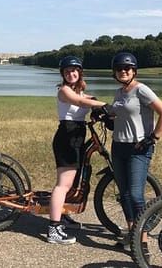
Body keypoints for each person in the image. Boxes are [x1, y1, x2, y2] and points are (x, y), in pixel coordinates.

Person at [109, 52, 162, 246]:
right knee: (124, 194)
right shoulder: (119, 92)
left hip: (138, 148)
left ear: (134, 71)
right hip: (118, 146)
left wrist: (153, 137)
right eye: (119, 69)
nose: (123, 71)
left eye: (127, 68)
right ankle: (131, 233)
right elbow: (117, 114)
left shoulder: (141, 90)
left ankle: (141, 240)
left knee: (136, 195)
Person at [48, 55, 110, 244]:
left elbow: (86, 99)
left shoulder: (79, 90)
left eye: (74, 70)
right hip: (67, 137)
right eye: (67, 72)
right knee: (63, 184)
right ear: (63, 75)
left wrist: (99, 105)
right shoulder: (65, 91)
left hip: (76, 134)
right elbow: (81, 103)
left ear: (79, 72)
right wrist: (106, 105)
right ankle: (53, 229)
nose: (71, 74)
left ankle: (63, 213)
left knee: (73, 181)